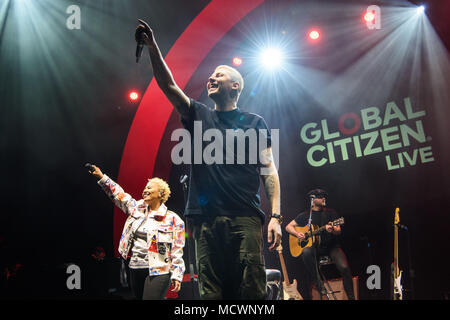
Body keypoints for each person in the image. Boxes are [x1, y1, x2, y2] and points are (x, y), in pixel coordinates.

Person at [135, 19, 282, 299]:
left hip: (245, 219)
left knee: (251, 292)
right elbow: (168, 86)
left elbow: (269, 170)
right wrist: (153, 47)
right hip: (205, 221)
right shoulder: (199, 114)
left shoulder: (254, 122)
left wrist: (275, 216)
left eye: (219, 75)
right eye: (211, 75)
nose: (211, 78)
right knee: (212, 295)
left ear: (236, 86)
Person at [88, 165, 185, 300]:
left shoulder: (173, 219)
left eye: (150, 187)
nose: (145, 190)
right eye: (145, 187)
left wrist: (177, 274)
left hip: (159, 270)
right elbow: (118, 195)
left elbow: (177, 250)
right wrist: (101, 176)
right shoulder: (136, 209)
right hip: (135, 267)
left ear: (161, 193)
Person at [285, 189, 355, 300]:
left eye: (324, 196)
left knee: (344, 267)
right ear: (313, 200)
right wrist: (297, 234)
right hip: (316, 248)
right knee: (306, 252)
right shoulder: (305, 215)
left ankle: (351, 297)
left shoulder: (331, 213)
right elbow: (288, 227)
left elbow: (338, 230)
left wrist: (333, 230)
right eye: (320, 196)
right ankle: (318, 284)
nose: (324, 198)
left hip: (332, 247)